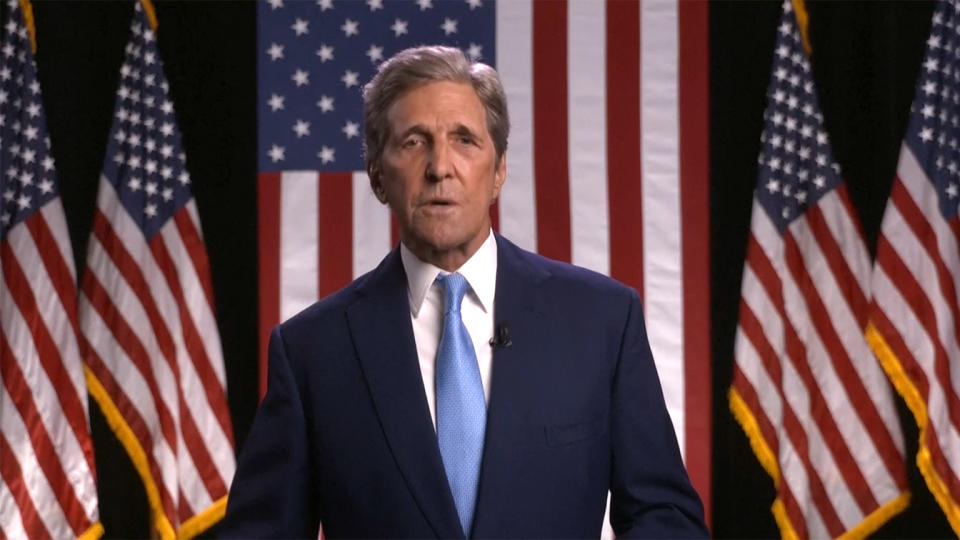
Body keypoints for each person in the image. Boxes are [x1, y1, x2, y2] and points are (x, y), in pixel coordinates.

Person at [220, 45, 707, 538]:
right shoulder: (311, 352)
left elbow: (666, 518)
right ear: (377, 175)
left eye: (465, 140)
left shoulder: (602, 321)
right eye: (414, 142)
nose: (440, 167)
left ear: (498, 172)